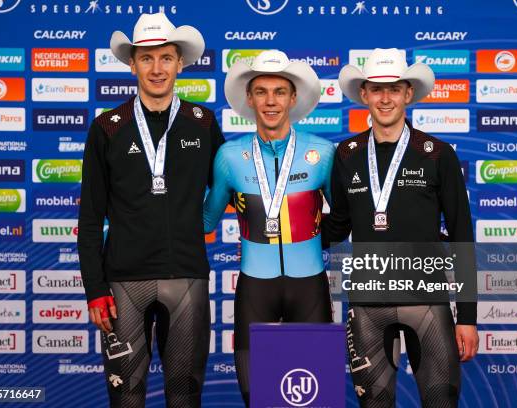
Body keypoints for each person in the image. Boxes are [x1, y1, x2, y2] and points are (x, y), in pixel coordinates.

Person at [78, 13, 224, 407]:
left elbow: (231, 185)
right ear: (132, 63)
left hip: (187, 279)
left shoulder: (203, 123)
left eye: (165, 58)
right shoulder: (107, 127)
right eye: (147, 58)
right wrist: (94, 289)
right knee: (125, 397)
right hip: (123, 284)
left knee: (184, 399)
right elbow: (89, 218)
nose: (156, 69)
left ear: (180, 63)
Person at [322, 48, 478, 407]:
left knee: (440, 401)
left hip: (427, 301)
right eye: (376, 89)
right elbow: (337, 225)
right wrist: (286, 225)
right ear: (364, 95)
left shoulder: (437, 153)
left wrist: (466, 317)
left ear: (409, 93)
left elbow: (461, 237)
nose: (385, 97)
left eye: (395, 89)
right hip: (367, 305)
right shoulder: (346, 154)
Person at [203, 50, 335, 406]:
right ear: (249, 98)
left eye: (279, 91)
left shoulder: (322, 153)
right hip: (254, 290)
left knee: (314, 399)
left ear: (293, 98)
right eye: (261, 91)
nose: (271, 101)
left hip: (310, 287)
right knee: (256, 398)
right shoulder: (229, 157)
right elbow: (206, 221)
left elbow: (348, 217)